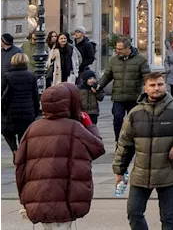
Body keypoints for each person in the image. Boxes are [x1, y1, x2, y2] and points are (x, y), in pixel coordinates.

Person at [113, 72, 173, 230]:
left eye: (160, 84)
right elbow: (125, 143)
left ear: (165, 86)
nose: (157, 88)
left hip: (169, 173)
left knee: (168, 219)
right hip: (140, 175)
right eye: (152, 85)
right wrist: (119, 170)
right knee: (134, 213)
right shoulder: (135, 114)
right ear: (145, 88)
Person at [15, 82, 106, 228]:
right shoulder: (74, 127)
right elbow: (97, 148)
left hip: (39, 195)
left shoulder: (33, 128)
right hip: (66, 195)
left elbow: (20, 164)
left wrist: (24, 197)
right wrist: (89, 125)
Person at [99, 37, 152, 142]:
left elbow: (147, 76)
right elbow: (107, 75)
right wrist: (99, 85)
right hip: (118, 97)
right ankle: (118, 141)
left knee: (134, 122)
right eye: (116, 49)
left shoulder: (141, 60)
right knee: (117, 118)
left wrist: (149, 89)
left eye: (120, 49)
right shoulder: (114, 60)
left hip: (134, 97)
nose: (117, 51)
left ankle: (133, 142)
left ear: (128, 48)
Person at [1, 53, 41, 155]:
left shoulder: (7, 76)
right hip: (27, 110)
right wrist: (35, 111)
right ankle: (22, 153)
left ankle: (14, 150)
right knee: (24, 134)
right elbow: (35, 96)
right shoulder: (31, 76)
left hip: (10, 111)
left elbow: (2, 94)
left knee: (7, 131)